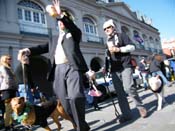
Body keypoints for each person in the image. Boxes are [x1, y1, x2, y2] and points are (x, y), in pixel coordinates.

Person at [17, 0, 90, 130]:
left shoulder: (73, 34)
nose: (60, 22)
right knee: (65, 104)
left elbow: (72, 26)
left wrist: (60, 14)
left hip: (72, 67)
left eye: (63, 20)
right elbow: (41, 48)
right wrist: (27, 50)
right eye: (59, 21)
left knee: (75, 97)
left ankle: (81, 128)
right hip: (57, 71)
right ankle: (81, 125)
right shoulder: (54, 39)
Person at [103, 19, 147, 123]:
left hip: (125, 66)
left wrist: (119, 49)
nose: (106, 30)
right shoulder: (107, 41)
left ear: (113, 27)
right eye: (104, 29)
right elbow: (107, 56)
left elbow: (132, 47)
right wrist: (106, 66)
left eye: (108, 27)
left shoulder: (122, 35)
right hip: (114, 69)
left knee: (128, 88)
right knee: (119, 93)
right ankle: (126, 114)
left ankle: (140, 107)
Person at [0, 55, 18, 131]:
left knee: (12, 108)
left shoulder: (9, 68)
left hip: (12, 90)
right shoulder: (2, 68)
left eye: (10, 58)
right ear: (3, 60)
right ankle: (7, 126)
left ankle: (11, 125)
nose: (10, 60)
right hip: (6, 90)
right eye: (8, 59)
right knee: (8, 109)